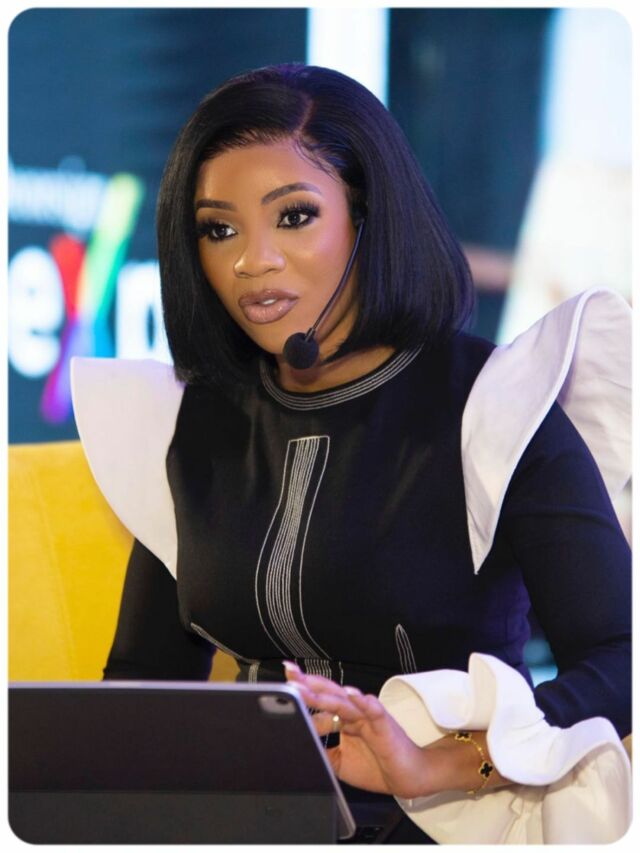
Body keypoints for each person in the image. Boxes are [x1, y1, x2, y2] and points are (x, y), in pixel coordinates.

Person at [70, 63, 631, 843]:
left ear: (369, 216)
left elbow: (620, 657)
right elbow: (144, 685)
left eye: (294, 216)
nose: (252, 260)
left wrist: (442, 761)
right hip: (240, 820)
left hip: (452, 820)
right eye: (219, 229)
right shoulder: (187, 416)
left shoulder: (498, 400)